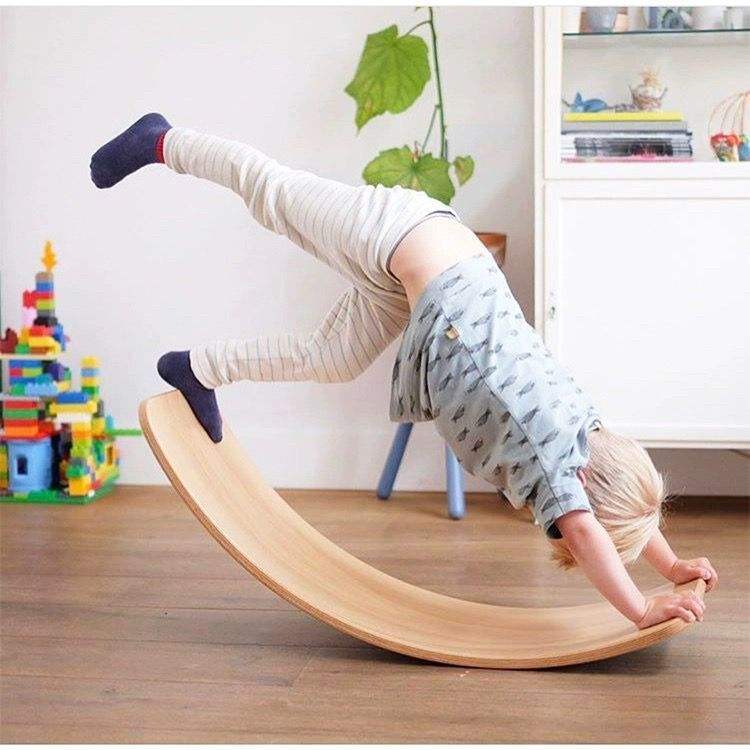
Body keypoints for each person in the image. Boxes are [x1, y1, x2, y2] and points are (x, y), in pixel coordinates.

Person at [91, 114, 717, 629]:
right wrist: (640, 608)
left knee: (333, 358)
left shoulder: (583, 430)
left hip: (420, 269)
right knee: (271, 192)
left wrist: (670, 567)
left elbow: (619, 500)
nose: (562, 526)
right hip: (399, 233)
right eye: (576, 515)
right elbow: (587, 529)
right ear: (578, 487)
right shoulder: (554, 454)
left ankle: (196, 370)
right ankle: (163, 140)